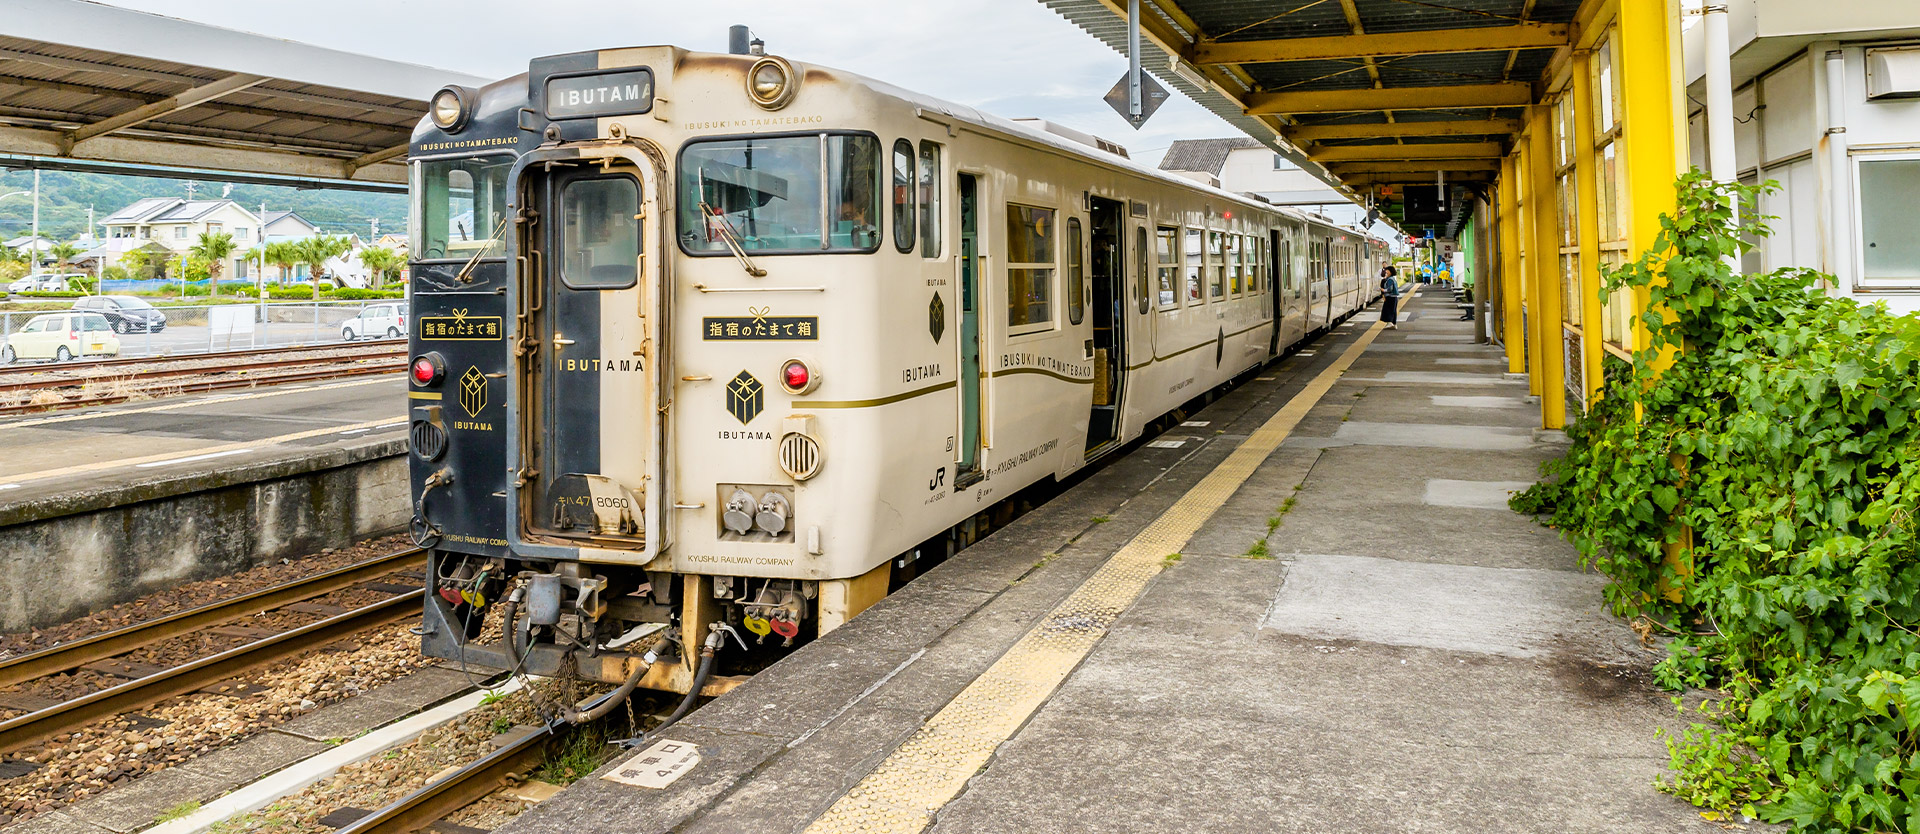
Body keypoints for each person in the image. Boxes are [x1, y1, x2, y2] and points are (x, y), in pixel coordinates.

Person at [1379, 263, 1401, 330]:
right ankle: (1394, 323)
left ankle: (1390, 322)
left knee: (1388, 310)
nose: (1386, 272)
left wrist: (1383, 290)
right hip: (1393, 297)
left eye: (1387, 271)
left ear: (1390, 271)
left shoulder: (1390, 279)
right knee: (1393, 310)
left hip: (1390, 297)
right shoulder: (1392, 279)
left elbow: (1390, 289)